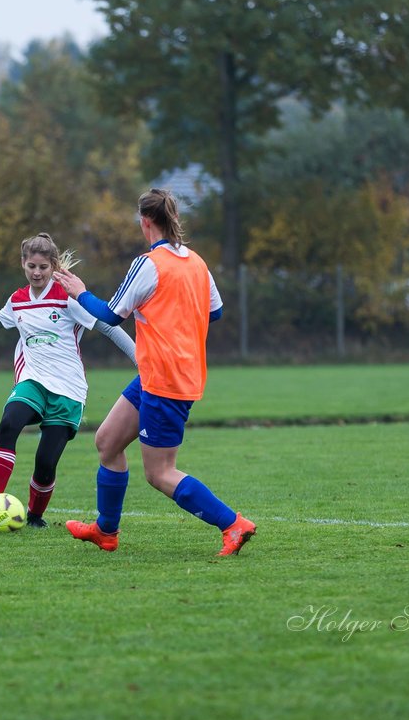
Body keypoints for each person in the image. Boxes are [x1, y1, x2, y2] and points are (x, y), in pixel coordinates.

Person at [52, 188, 256, 556]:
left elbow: (112, 314)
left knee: (160, 473)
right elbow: (215, 311)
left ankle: (233, 524)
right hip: (159, 372)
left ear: (145, 221)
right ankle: (106, 531)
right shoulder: (196, 261)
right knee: (107, 441)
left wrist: (79, 291)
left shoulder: (148, 263)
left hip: (166, 378)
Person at [0, 232, 137, 528]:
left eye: (43, 267)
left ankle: (35, 516)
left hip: (68, 389)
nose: (37, 273)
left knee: (45, 463)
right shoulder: (18, 300)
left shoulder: (68, 298)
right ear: (23, 265)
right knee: (9, 422)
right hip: (33, 380)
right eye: (31, 267)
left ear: (53, 266)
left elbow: (108, 327)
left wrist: (139, 358)